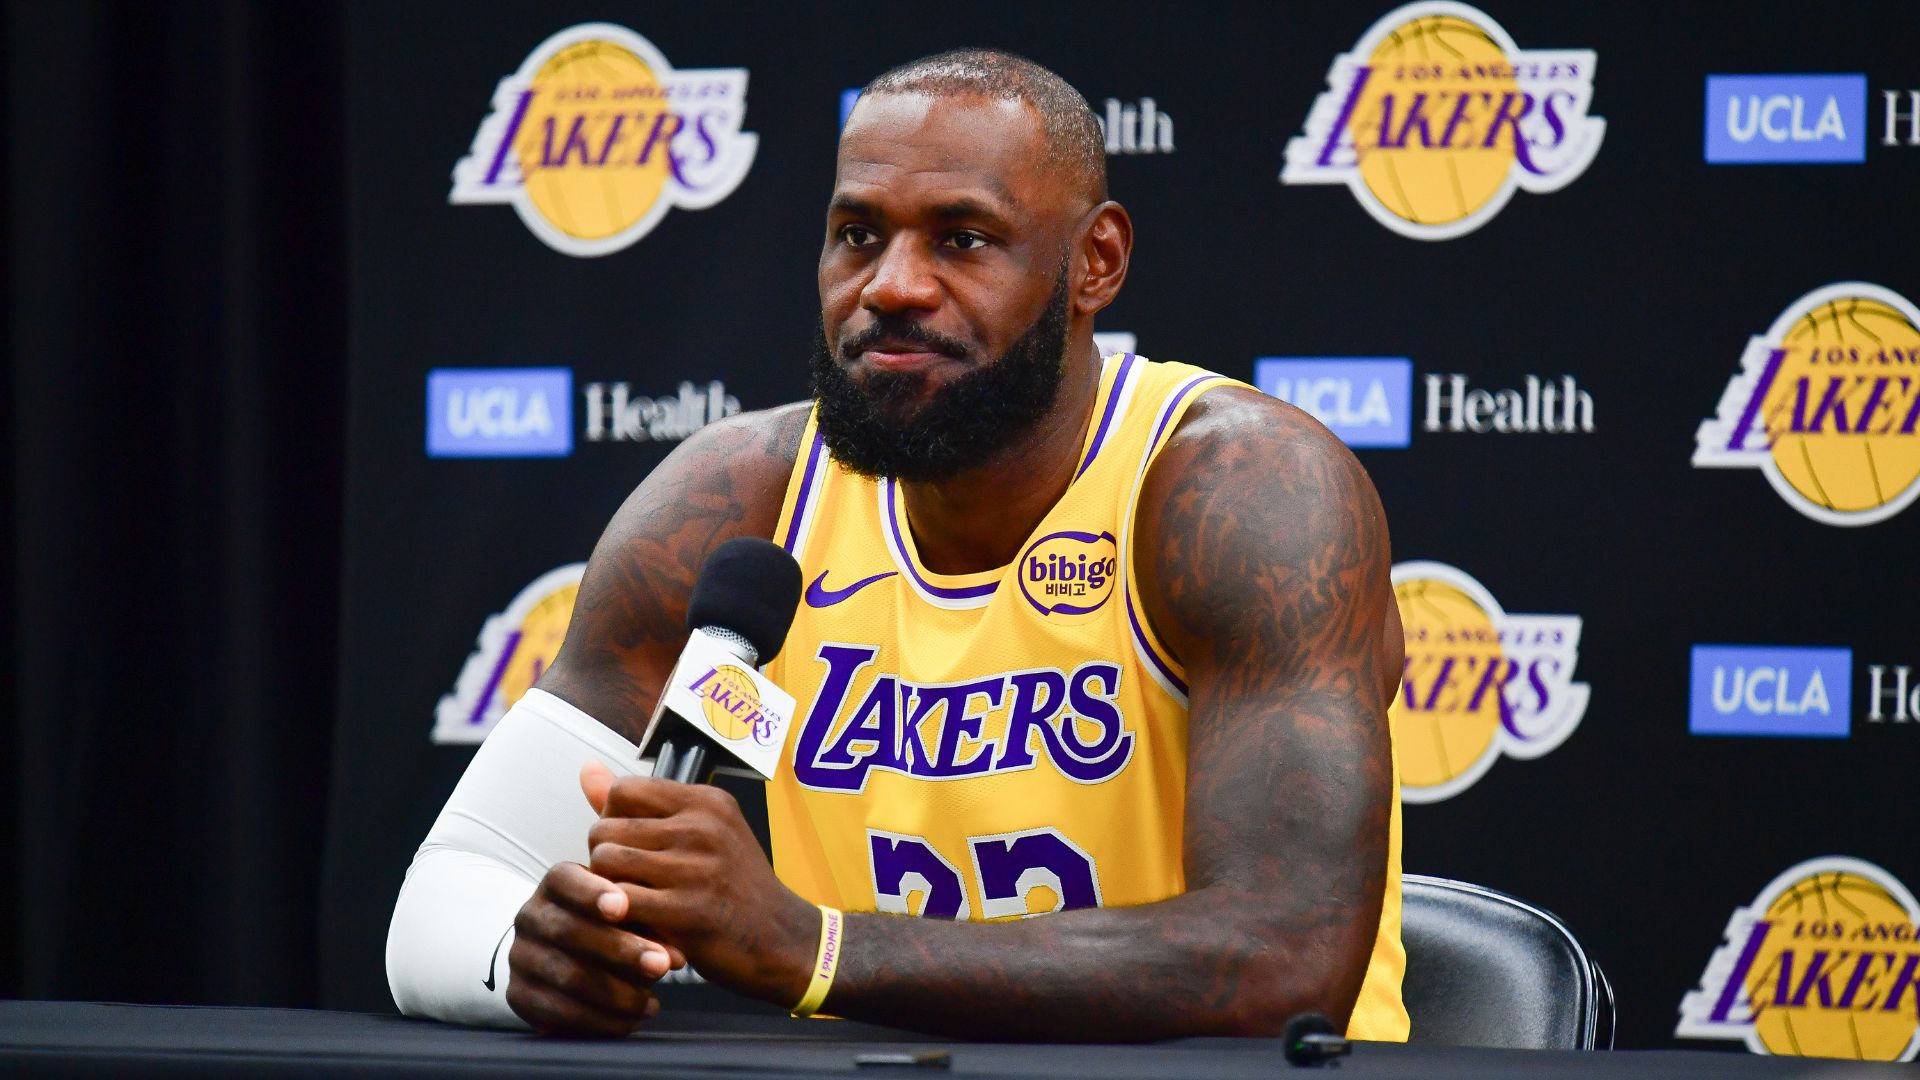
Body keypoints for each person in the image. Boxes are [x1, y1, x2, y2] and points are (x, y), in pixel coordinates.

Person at [386, 48, 1408, 1043]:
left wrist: (812, 947)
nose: (892, 286)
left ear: (1095, 261)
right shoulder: (741, 498)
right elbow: (456, 885)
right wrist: (526, 962)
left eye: (962, 239)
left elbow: (1285, 954)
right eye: (857, 234)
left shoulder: (1240, 489)